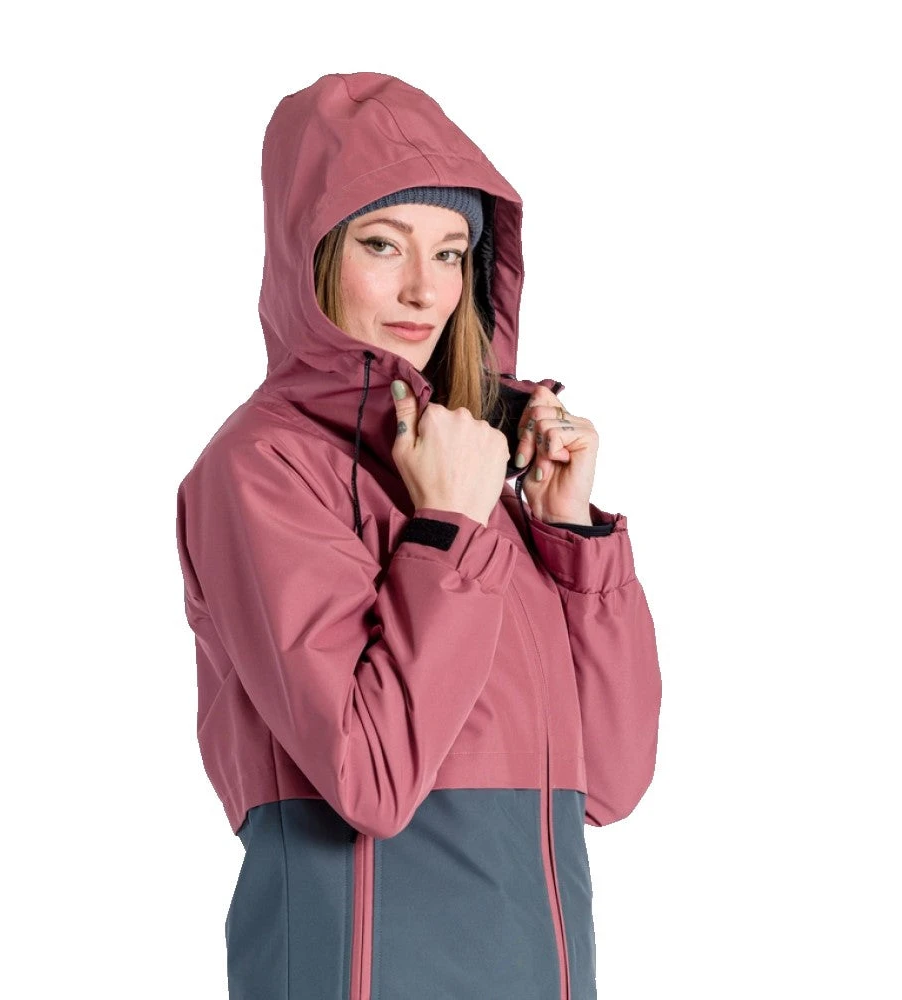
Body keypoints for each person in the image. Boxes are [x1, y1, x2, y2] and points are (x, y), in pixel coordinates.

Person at [174, 71, 661, 1000]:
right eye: (382, 243)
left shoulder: (470, 476)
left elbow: (609, 783)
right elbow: (370, 780)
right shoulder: (264, 467)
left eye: (449, 253)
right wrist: (448, 530)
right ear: (310, 254)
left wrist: (567, 534)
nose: (421, 289)